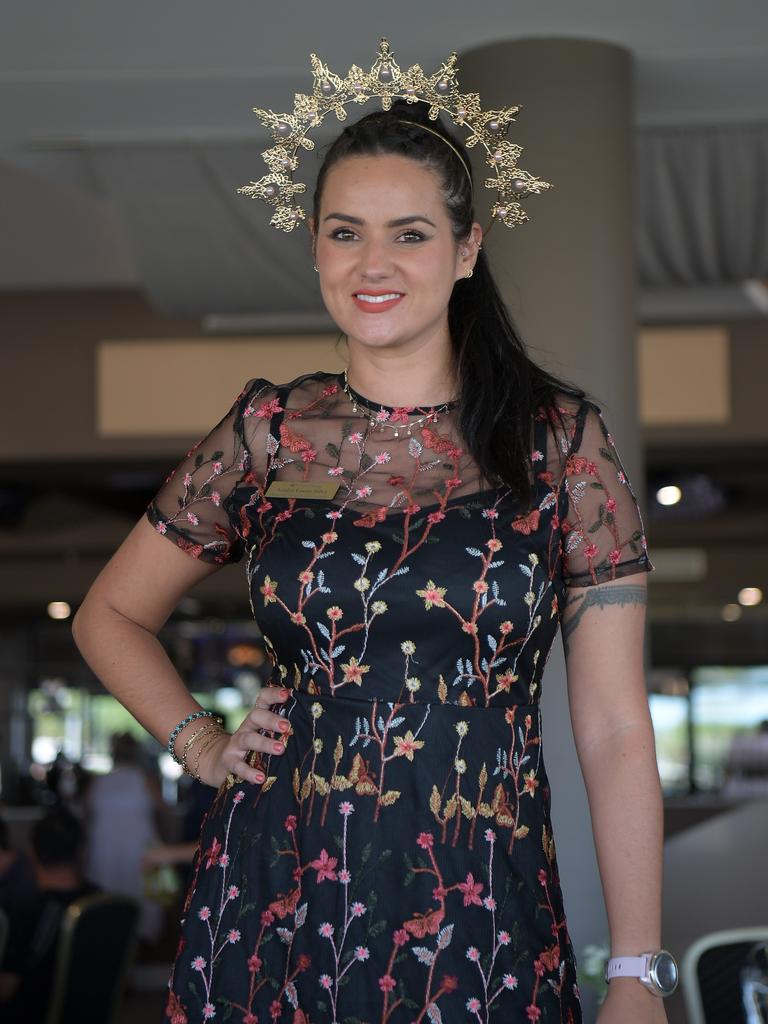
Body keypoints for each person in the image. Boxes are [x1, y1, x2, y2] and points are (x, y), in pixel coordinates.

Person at [72, 41, 671, 1024]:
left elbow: (609, 727)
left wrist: (638, 971)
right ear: (313, 245)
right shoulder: (270, 434)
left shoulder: (559, 441)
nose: (373, 264)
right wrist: (201, 742)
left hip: (484, 901)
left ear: (467, 249)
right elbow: (109, 615)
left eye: (410, 233)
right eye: (345, 233)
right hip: (278, 889)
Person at [0, 809, 99, 1022]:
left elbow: (5, 989)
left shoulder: (26, 911)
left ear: (33, 853)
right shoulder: (106, 904)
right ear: (81, 851)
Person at [84, 731, 164, 942]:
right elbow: (163, 809)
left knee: (108, 891)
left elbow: (86, 811)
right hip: (138, 845)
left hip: (105, 845)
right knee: (139, 894)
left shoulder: (99, 782)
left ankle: (109, 938)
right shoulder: (147, 779)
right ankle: (140, 942)